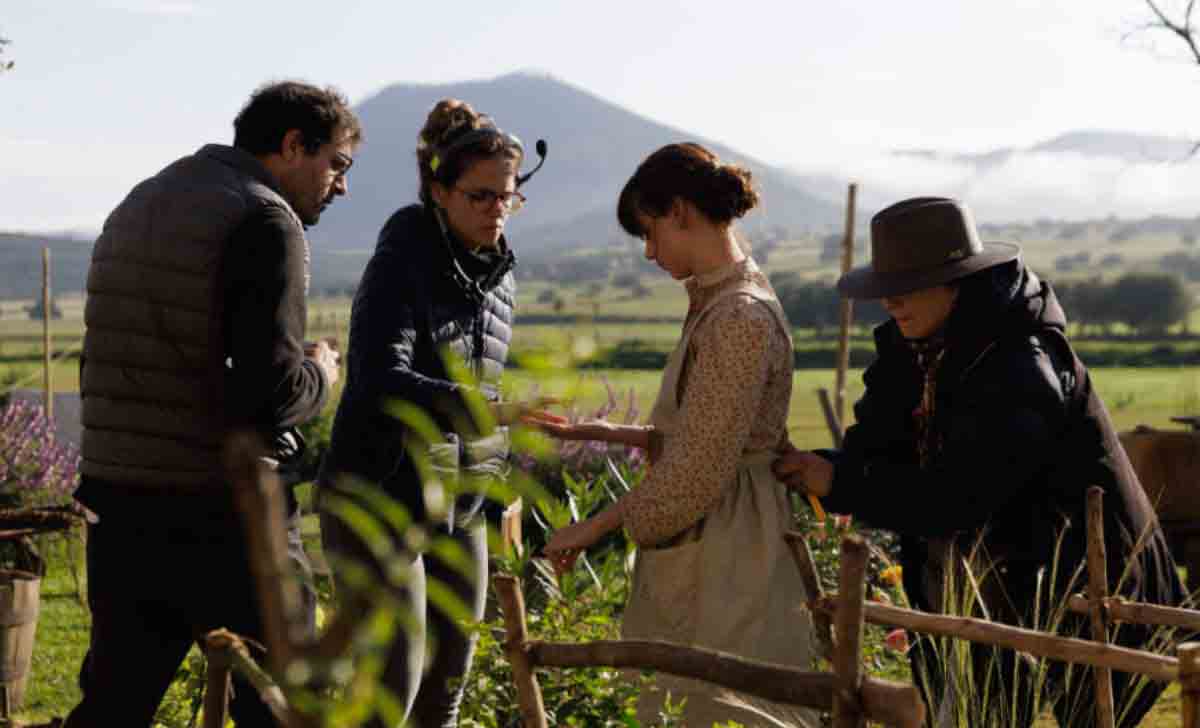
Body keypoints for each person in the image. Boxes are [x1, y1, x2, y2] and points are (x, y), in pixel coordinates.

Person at [773, 196, 1187, 728]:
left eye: (908, 287)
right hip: (985, 582)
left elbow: (963, 497)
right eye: (887, 292)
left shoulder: (1020, 364)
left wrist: (844, 480)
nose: (893, 304)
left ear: (956, 281)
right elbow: (874, 450)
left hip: (1085, 589)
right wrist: (827, 471)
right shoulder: (914, 347)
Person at [66, 81, 360, 727]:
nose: (339, 186)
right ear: (292, 145)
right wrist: (321, 371)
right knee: (282, 703)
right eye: (336, 164)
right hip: (222, 511)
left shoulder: (143, 200)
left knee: (117, 702)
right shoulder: (261, 216)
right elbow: (268, 390)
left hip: (121, 498)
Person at [534, 142, 818, 728]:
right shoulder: (719, 302)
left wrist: (592, 527)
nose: (649, 251)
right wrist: (619, 432)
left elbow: (698, 471)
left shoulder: (737, 316)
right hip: (722, 529)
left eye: (650, 231)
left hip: (731, 545)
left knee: (720, 704)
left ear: (681, 212)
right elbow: (709, 431)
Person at [317, 99, 546, 727]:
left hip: (462, 502)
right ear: (438, 191)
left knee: (447, 684)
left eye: (508, 196)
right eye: (481, 196)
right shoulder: (402, 258)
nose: (497, 209)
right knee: (391, 685)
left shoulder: (499, 273)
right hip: (380, 498)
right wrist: (487, 411)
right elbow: (376, 381)